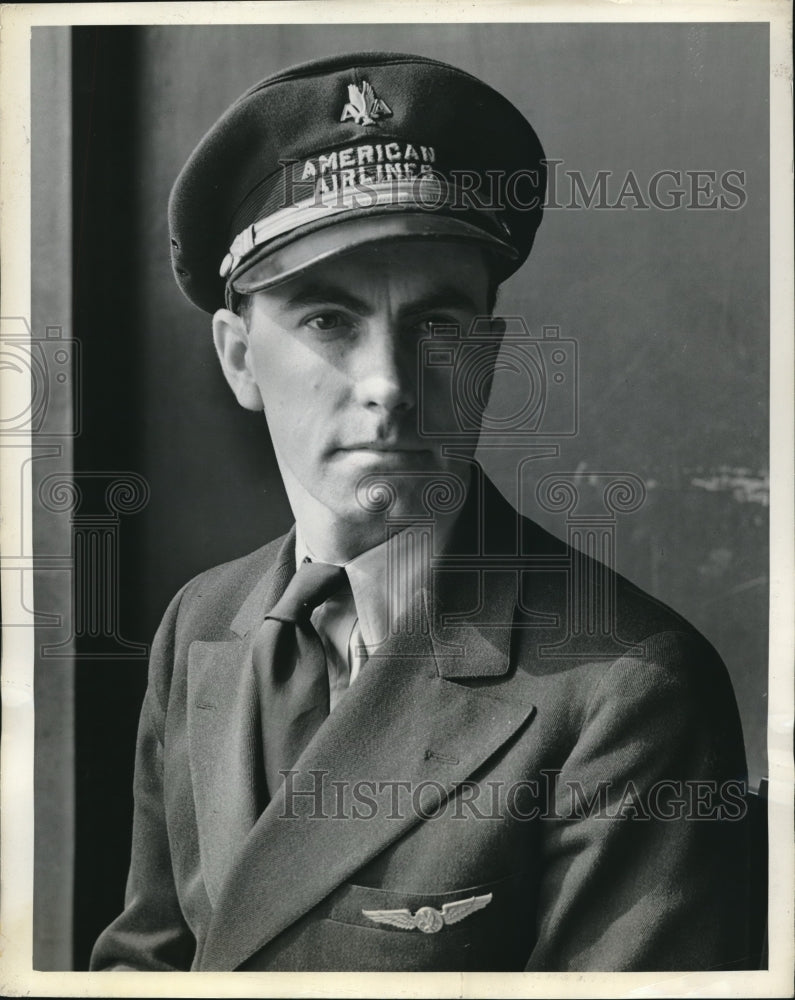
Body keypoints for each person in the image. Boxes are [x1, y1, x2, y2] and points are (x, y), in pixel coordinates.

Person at [90, 50, 750, 973]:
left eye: (437, 326)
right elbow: (147, 963)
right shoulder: (201, 622)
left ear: (485, 354)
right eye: (328, 319)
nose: (389, 384)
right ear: (239, 357)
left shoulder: (622, 688)